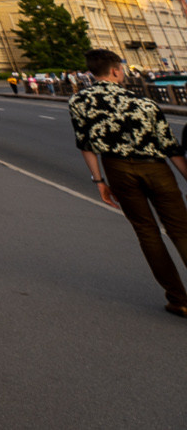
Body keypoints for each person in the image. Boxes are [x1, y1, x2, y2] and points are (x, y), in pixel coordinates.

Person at [68, 48, 187, 318]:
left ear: (91, 72)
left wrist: (99, 180)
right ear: (115, 70)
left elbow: (85, 144)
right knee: (181, 230)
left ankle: (179, 299)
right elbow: (170, 147)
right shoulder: (144, 102)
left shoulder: (78, 101)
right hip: (156, 169)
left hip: (117, 169)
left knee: (147, 233)